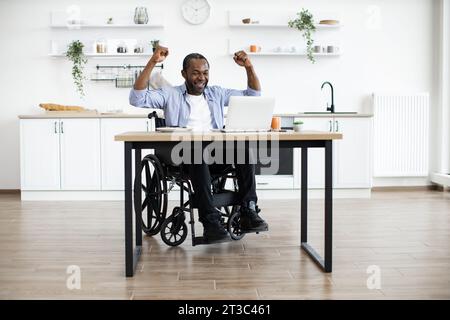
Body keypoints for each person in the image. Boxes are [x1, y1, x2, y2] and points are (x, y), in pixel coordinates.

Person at [129, 46, 268, 243]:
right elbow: (137, 98)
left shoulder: (217, 93)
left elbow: (253, 96)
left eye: (204, 73)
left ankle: (249, 211)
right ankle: (210, 221)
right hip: (182, 156)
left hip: (216, 154)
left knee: (243, 150)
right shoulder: (170, 94)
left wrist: (249, 67)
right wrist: (153, 62)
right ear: (184, 74)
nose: (201, 77)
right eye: (195, 73)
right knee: (196, 151)